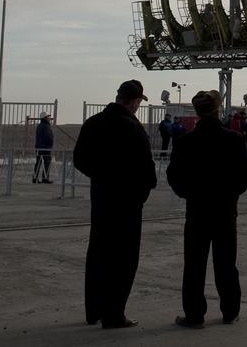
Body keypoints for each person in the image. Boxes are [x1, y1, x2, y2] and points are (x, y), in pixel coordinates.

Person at [72, 79, 158, 329]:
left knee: (99, 252)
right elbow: (146, 168)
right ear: (134, 102)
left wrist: (103, 177)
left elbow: (80, 159)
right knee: (123, 258)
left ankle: (94, 310)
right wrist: (141, 190)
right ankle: (114, 314)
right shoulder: (132, 127)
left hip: (102, 198)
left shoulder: (94, 122)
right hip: (128, 202)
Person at [166, 89, 247, 328]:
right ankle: (230, 311)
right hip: (225, 210)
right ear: (217, 110)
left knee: (194, 264)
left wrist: (189, 194)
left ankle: (194, 315)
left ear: (197, 112)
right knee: (226, 262)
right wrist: (233, 193)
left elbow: (174, 176)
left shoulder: (185, 142)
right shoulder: (234, 139)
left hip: (197, 210)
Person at [34, 112, 54, 184]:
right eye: (48, 117)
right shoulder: (46, 126)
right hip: (45, 148)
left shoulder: (39, 126)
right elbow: (48, 137)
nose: (49, 118)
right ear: (45, 118)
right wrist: (50, 143)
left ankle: (35, 178)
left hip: (38, 147)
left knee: (38, 163)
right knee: (46, 163)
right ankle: (45, 178)